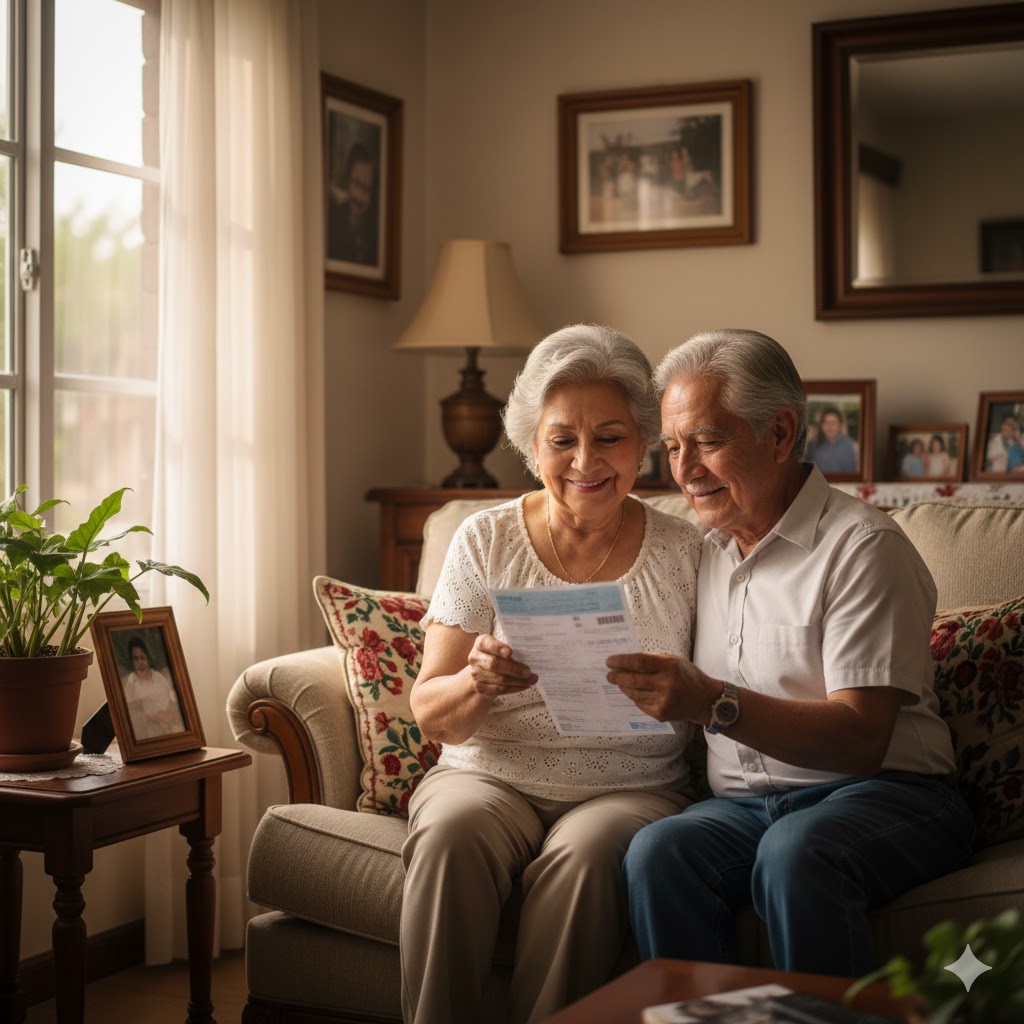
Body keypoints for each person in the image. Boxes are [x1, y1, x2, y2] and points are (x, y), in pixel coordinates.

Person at [608, 328, 974, 978]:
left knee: (795, 851)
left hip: (889, 793)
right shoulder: (701, 546)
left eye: (708, 441)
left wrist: (710, 701)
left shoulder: (862, 548)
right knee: (657, 851)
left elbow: (862, 738)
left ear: (780, 434)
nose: (684, 470)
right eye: (671, 447)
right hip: (744, 807)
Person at [401, 324, 703, 1024]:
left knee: (588, 854)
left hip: (630, 785)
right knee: (449, 834)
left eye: (609, 437)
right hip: (487, 772)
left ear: (644, 441)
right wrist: (476, 683)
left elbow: (719, 689)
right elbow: (429, 708)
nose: (585, 461)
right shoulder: (484, 538)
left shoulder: (688, 549)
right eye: (562, 440)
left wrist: (675, 690)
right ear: (532, 445)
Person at [122, 635, 184, 739]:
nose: (140, 662)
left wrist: (167, 714)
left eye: (143, 657)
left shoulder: (159, 678)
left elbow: (172, 700)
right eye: (136, 658)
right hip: (148, 733)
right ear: (132, 660)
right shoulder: (131, 683)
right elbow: (132, 713)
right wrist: (156, 717)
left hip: (169, 728)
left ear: (148, 657)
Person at [326, 141, 378, 265]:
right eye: (356, 183)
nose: (359, 196)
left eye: (366, 189)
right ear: (348, 180)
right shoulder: (331, 219)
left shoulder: (375, 235)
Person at [807, 405, 857, 473]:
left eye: (833, 423)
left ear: (840, 425)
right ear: (821, 425)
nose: (829, 427)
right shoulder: (814, 445)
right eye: (826, 423)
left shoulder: (848, 446)